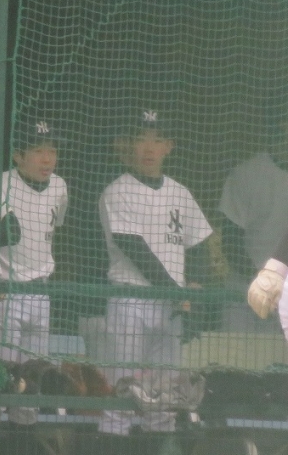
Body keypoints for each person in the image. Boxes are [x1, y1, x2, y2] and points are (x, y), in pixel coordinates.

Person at [96, 109, 212, 453]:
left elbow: (200, 244)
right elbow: (134, 247)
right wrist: (178, 293)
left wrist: (195, 287)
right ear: (129, 145)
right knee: (121, 397)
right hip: (130, 301)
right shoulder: (118, 190)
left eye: (157, 139)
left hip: (170, 305)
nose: (149, 147)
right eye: (141, 139)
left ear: (168, 146)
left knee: (163, 404)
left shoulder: (180, 192)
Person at [0, 118, 68, 451]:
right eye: (38, 150)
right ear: (18, 155)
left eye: (52, 150)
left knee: (32, 383)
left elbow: (56, 229)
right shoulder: (0, 184)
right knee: (3, 379)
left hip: (42, 291)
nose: (47, 158)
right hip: (6, 290)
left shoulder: (60, 186)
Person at [219, 116, 288, 333]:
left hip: (285, 297)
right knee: (235, 354)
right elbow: (230, 241)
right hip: (243, 292)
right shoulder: (247, 173)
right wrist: (261, 284)